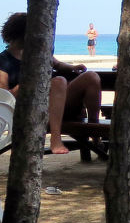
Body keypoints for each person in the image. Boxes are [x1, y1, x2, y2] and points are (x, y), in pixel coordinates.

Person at [0, 11, 102, 154]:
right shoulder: (4, 61)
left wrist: (72, 68)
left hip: (58, 104)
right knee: (59, 81)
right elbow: (5, 98)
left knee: (91, 77)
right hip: (31, 110)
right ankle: (56, 137)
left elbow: (57, 64)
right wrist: (29, 82)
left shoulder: (38, 52)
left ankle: (95, 134)